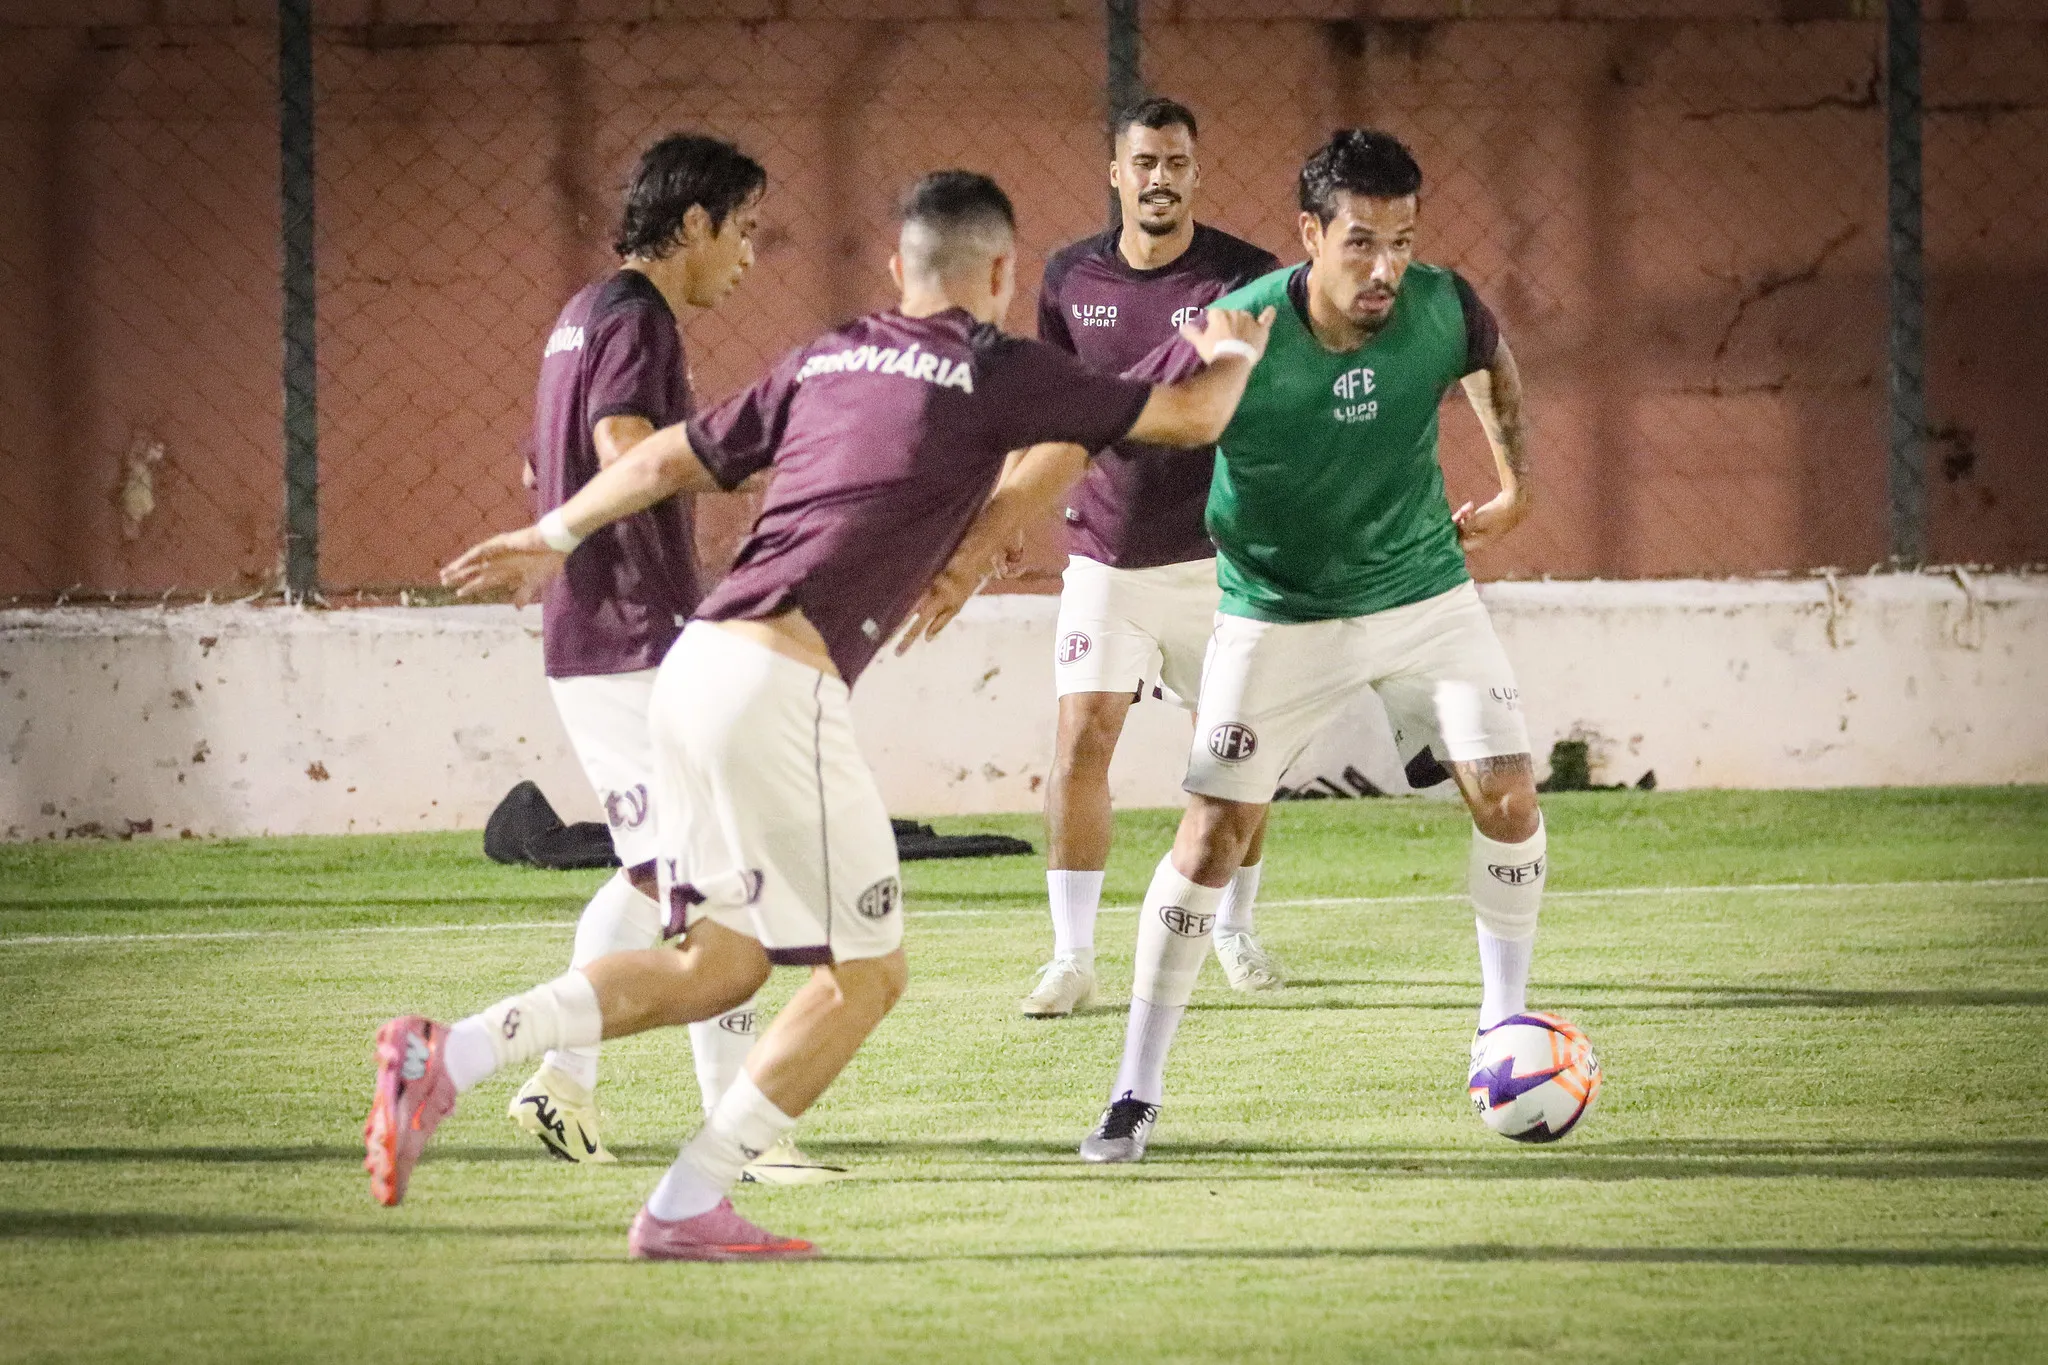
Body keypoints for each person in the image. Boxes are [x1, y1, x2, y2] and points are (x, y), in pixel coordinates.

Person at [369, 170, 1276, 1260]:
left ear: (896, 268)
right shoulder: (995, 367)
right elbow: (1190, 416)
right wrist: (1233, 349)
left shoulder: (830, 352)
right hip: (776, 688)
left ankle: (449, 1056)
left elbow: (665, 456)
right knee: (867, 974)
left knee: (717, 964)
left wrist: (550, 533)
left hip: (693, 668)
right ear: (1001, 271)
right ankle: (686, 1201)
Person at [1075, 128, 1542, 1163]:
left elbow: (1490, 361)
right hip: (1274, 612)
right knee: (1211, 837)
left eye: (1402, 241)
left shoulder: (1442, 305)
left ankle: (1501, 1027)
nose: (1385, 268)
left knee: (1508, 797)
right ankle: (1133, 1091)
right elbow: (1119, 411)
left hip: (1424, 595)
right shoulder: (1240, 324)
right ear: (1309, 235)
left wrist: (1513, 485)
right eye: (1361, 242)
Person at [505, 133, 837, 1184]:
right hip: (632, 631)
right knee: (719, 890)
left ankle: (565, 1082)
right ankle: (737, 1132)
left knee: (653, 874)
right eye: (744, 230)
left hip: (597, 630)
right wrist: (740, 463)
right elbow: (623, 449)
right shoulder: (638, 318)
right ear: (693, 224)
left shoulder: (581, 313)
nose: (748, 257)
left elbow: (545, 463)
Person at [1023, 97, 1285, 1019]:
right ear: (1116, 174)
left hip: (1217, 560)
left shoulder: (1246, 277)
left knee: (1232, 752)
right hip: (1103, 556)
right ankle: (1071, 956)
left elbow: (1270, 403)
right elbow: (1055, 407)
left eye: (1176, 162)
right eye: (1144, 163)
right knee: (1080, 737)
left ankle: (1235, 929)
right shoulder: (1068, 276)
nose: (1160, 178)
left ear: (1196, 173)